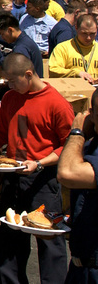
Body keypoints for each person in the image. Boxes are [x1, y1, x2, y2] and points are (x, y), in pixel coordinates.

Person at [0, 53, 73, 284]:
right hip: (12, 179)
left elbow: (69, 146)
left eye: (11, 80)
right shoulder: (10, 98)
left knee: (48, 242)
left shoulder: (57, 103)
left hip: (43, 181)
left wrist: (39, 163)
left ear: (28, 74)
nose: (7, 85)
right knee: (10, 240)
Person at [57, 89, 98, 284]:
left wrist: (77, 132)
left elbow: (67, 173)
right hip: (80, 266)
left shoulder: (82, 141)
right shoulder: (91, 147)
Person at [48, 13, 98, 81]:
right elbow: (53, 70)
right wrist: (76, 73)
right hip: (73, 89)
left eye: (92, 34)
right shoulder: (63, 48)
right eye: (84, 33)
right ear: (76, 28)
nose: (88, 38)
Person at [0, 11, 44, 76]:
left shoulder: (21, 48)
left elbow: (20, 74)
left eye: (2, 34)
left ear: (10, 30)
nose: (2, 37)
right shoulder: (25, 41)